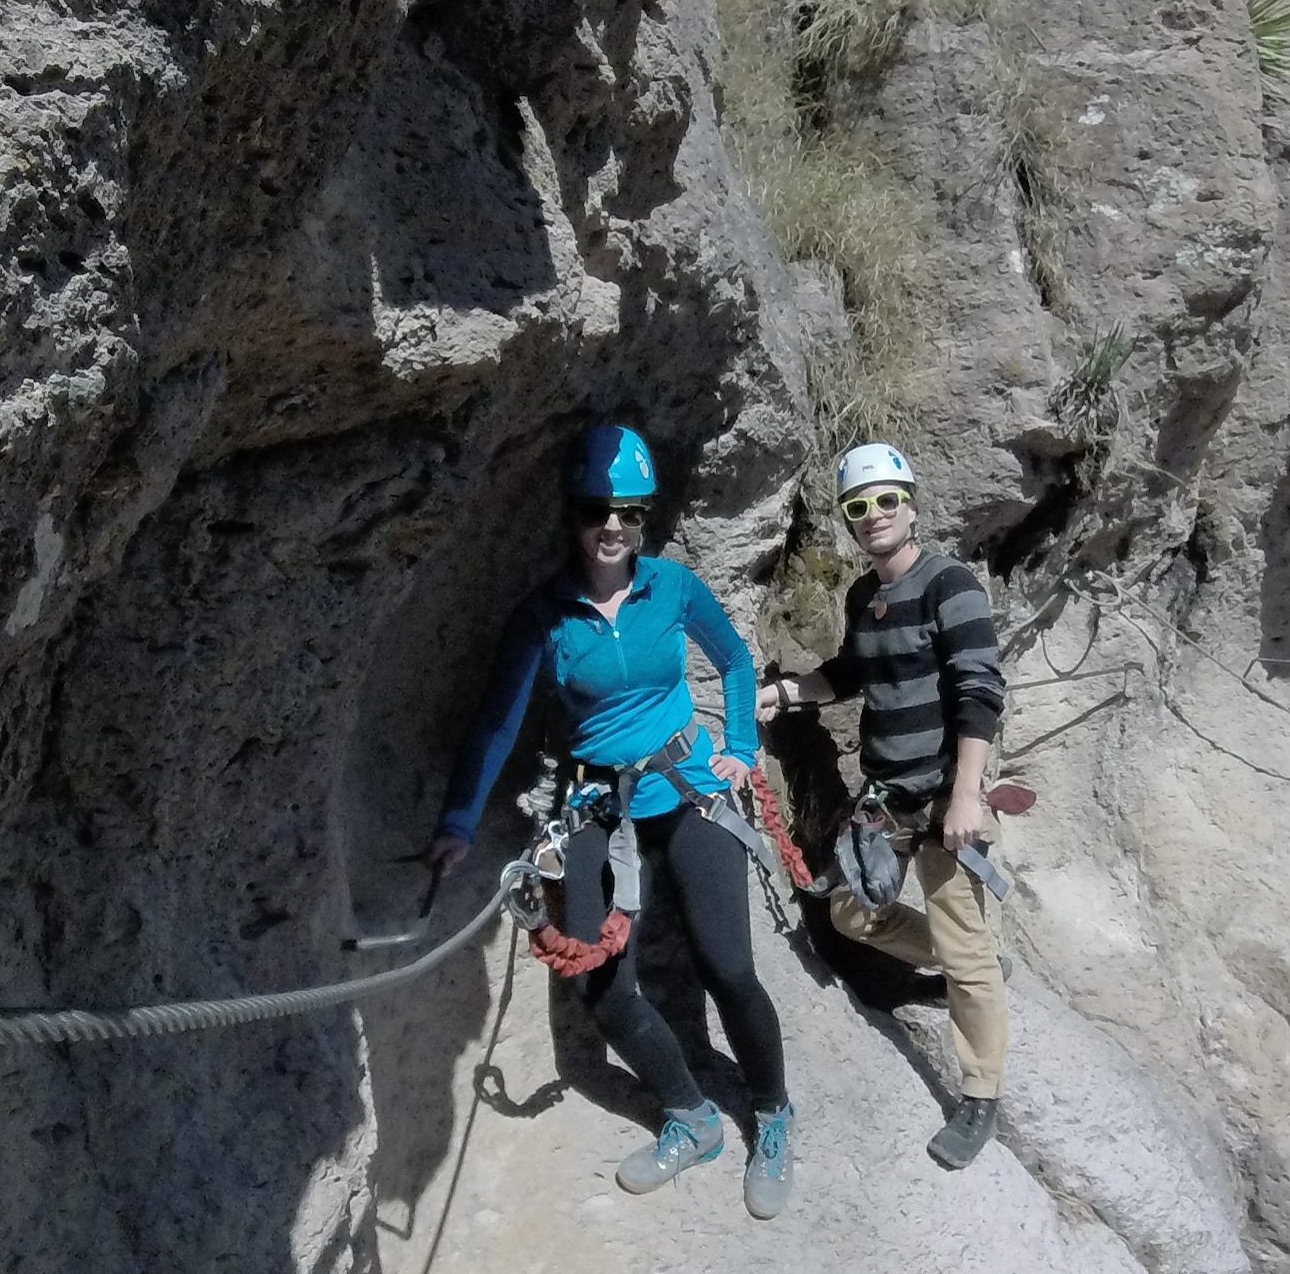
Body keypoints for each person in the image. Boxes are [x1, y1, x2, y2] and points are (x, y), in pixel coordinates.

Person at [426, 426, 796, 1218]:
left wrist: (740, 744)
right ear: (573, 512)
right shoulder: (546, 614)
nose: (613, 524)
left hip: (686, 789)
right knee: (602, 984)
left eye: (629, 508)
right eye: (598, 507)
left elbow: (733, 659)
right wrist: (458, 821)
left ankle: (772, 1114)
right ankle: (692, 1117)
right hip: (597, 803)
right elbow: (496, 725)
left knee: (727, 965)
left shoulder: (673, 587)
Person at [756, 443, 1010, 1169]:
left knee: (963, 942)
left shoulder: (949, 585)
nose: (874, 516)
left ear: (913, 504)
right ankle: (969, 967)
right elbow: (847, 674)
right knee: (851, 911)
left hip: (941, 798)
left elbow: (979, 690)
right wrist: (785, 691)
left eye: (886, 500)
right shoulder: (863, 598)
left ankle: (979, 1095)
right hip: (886, 799)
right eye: (858, 506)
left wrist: (966, 793)